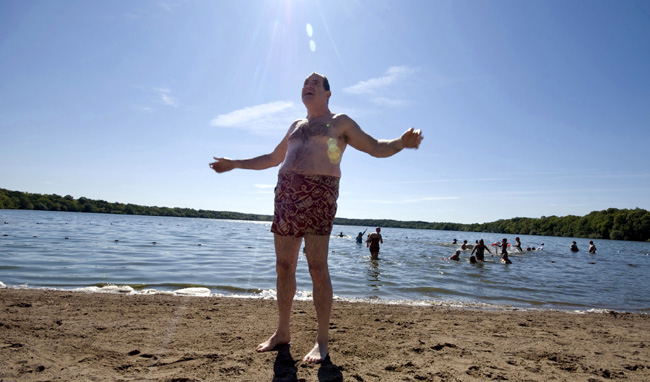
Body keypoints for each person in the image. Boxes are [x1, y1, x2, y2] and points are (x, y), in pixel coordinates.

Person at [209, 72, 423, 364]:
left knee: (317, 268)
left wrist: (400, 142)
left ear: (327, 94)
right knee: (284, 267)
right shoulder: (296, 125)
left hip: (320, 194)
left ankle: (321, 341)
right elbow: (273, 159)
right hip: (286, 196)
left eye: (314, 83)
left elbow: (375, 147)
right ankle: (282, 332)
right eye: (304, 83)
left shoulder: (340, 122)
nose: (307, 86)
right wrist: (234, 164)